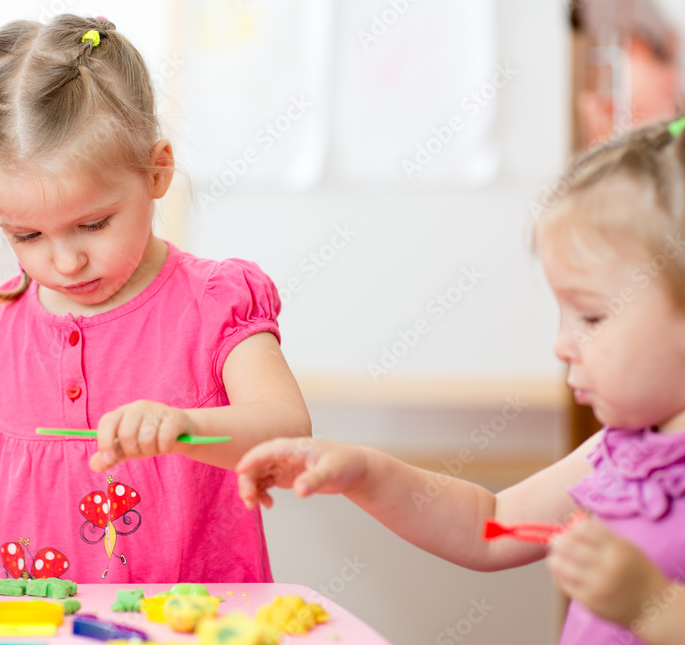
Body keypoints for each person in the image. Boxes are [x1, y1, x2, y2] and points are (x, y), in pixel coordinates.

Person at [0, 14, 311, 584]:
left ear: (157, 171)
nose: (66, 261)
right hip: (42, 622)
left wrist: (185, 426)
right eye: (27, 236)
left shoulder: (215, 302)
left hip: (196, 623)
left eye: (94, 224)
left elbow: (287, 431)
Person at [236, 119, 685, 644]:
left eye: (589, 316)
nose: (560, 345)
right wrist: (364, 474)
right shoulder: (619, 453)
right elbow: (489, 525)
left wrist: (651, 606)